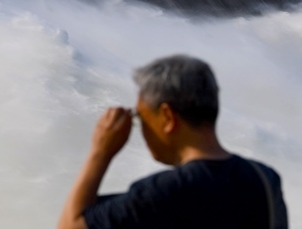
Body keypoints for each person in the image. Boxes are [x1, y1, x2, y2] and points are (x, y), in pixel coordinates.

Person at [58, 54, 288, 229]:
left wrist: (100, 152)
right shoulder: (265, 178)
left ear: (168, 117)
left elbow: (70, 225)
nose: (141, 129)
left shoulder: (165, 191)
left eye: (140, 118)